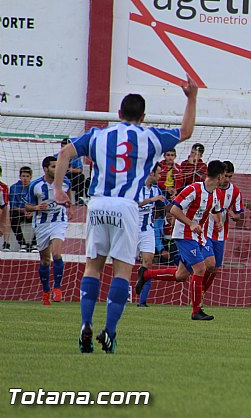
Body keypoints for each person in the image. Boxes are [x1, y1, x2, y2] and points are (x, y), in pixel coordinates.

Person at [54, 74, 198, 354]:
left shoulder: (97, 135)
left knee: (93, 267)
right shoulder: (150, 137)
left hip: (98, 204)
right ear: (143, 117)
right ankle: (109, 331)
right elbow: (186, 132)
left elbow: (63, 155)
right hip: (127, 206)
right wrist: (191, 98)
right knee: (122, 272)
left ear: (119, 114)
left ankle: (85, 324)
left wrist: (60, 190)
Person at [136, 160, 226, 321]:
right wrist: (190, 223)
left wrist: (218, 221)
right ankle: (196, 311)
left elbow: (216, 210)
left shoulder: (216, 193)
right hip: (184, 235)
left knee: (185, 274)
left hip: (198, 237)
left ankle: (147, 274)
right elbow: (174, 209)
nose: (226, 179)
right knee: (200, 269)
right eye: (225, 176)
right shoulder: (193, 189)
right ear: (219, 176)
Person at [25, 156, 71, 306]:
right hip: (42, 224)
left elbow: (68, 199)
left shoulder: (65, 182)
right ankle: (46, 291)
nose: (56, 169)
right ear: (46, 169)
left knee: (56, 253)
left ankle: (57, 289)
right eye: (53, 166)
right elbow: (27, 206)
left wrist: (67, 204)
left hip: (59, 220)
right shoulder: (35, 185)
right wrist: (36, 208)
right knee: (45, 261)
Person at [202, 160, 244, 298]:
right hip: (204, 231)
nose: (227, 179)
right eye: (225, 176)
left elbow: (239, 216)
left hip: (220, 234)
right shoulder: (211, 187)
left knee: (214, 269)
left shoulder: (235, 192)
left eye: (230, 176)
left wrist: (234, 215)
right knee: (209, 264)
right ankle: (197, 292)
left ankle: (201, 293)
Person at [136, 162, 170, 307]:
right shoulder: (135, 186)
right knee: (122, 263)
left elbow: (167, 206)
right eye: (159, 173)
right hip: (130, 229)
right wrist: (151, 200)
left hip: (147, 230)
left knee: (148, 262)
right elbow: (133, 204)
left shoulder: (157, 190)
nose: (160, 176)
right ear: (151, 173)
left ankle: (142, 302)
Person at [8, 166, 35, 252]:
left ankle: (34, 244)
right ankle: (22, 243)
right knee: (13, 217)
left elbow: (37, 202)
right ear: (20, 177)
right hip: (20, 211)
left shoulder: (34, 187)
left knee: (42, 219)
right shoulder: (14, 187)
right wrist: (24, 211)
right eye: (23, 176)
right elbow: (13, 205)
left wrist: (32, 211)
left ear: (31, 177)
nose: (25, 178)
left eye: (27, 176)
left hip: (32, 211)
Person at [60, 138, 86, 204]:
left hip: (72, 175)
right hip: (61, 176)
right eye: (63, 147)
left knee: (81, 177)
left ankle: (79, 199)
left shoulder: (76, 157)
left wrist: (71, 170)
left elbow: (79, 170)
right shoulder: (56, 156)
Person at [0, 164, 9, 251]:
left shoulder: (3, 187)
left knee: (5, 212)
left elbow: (4, 205)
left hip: (1, 210)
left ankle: (6, 243)